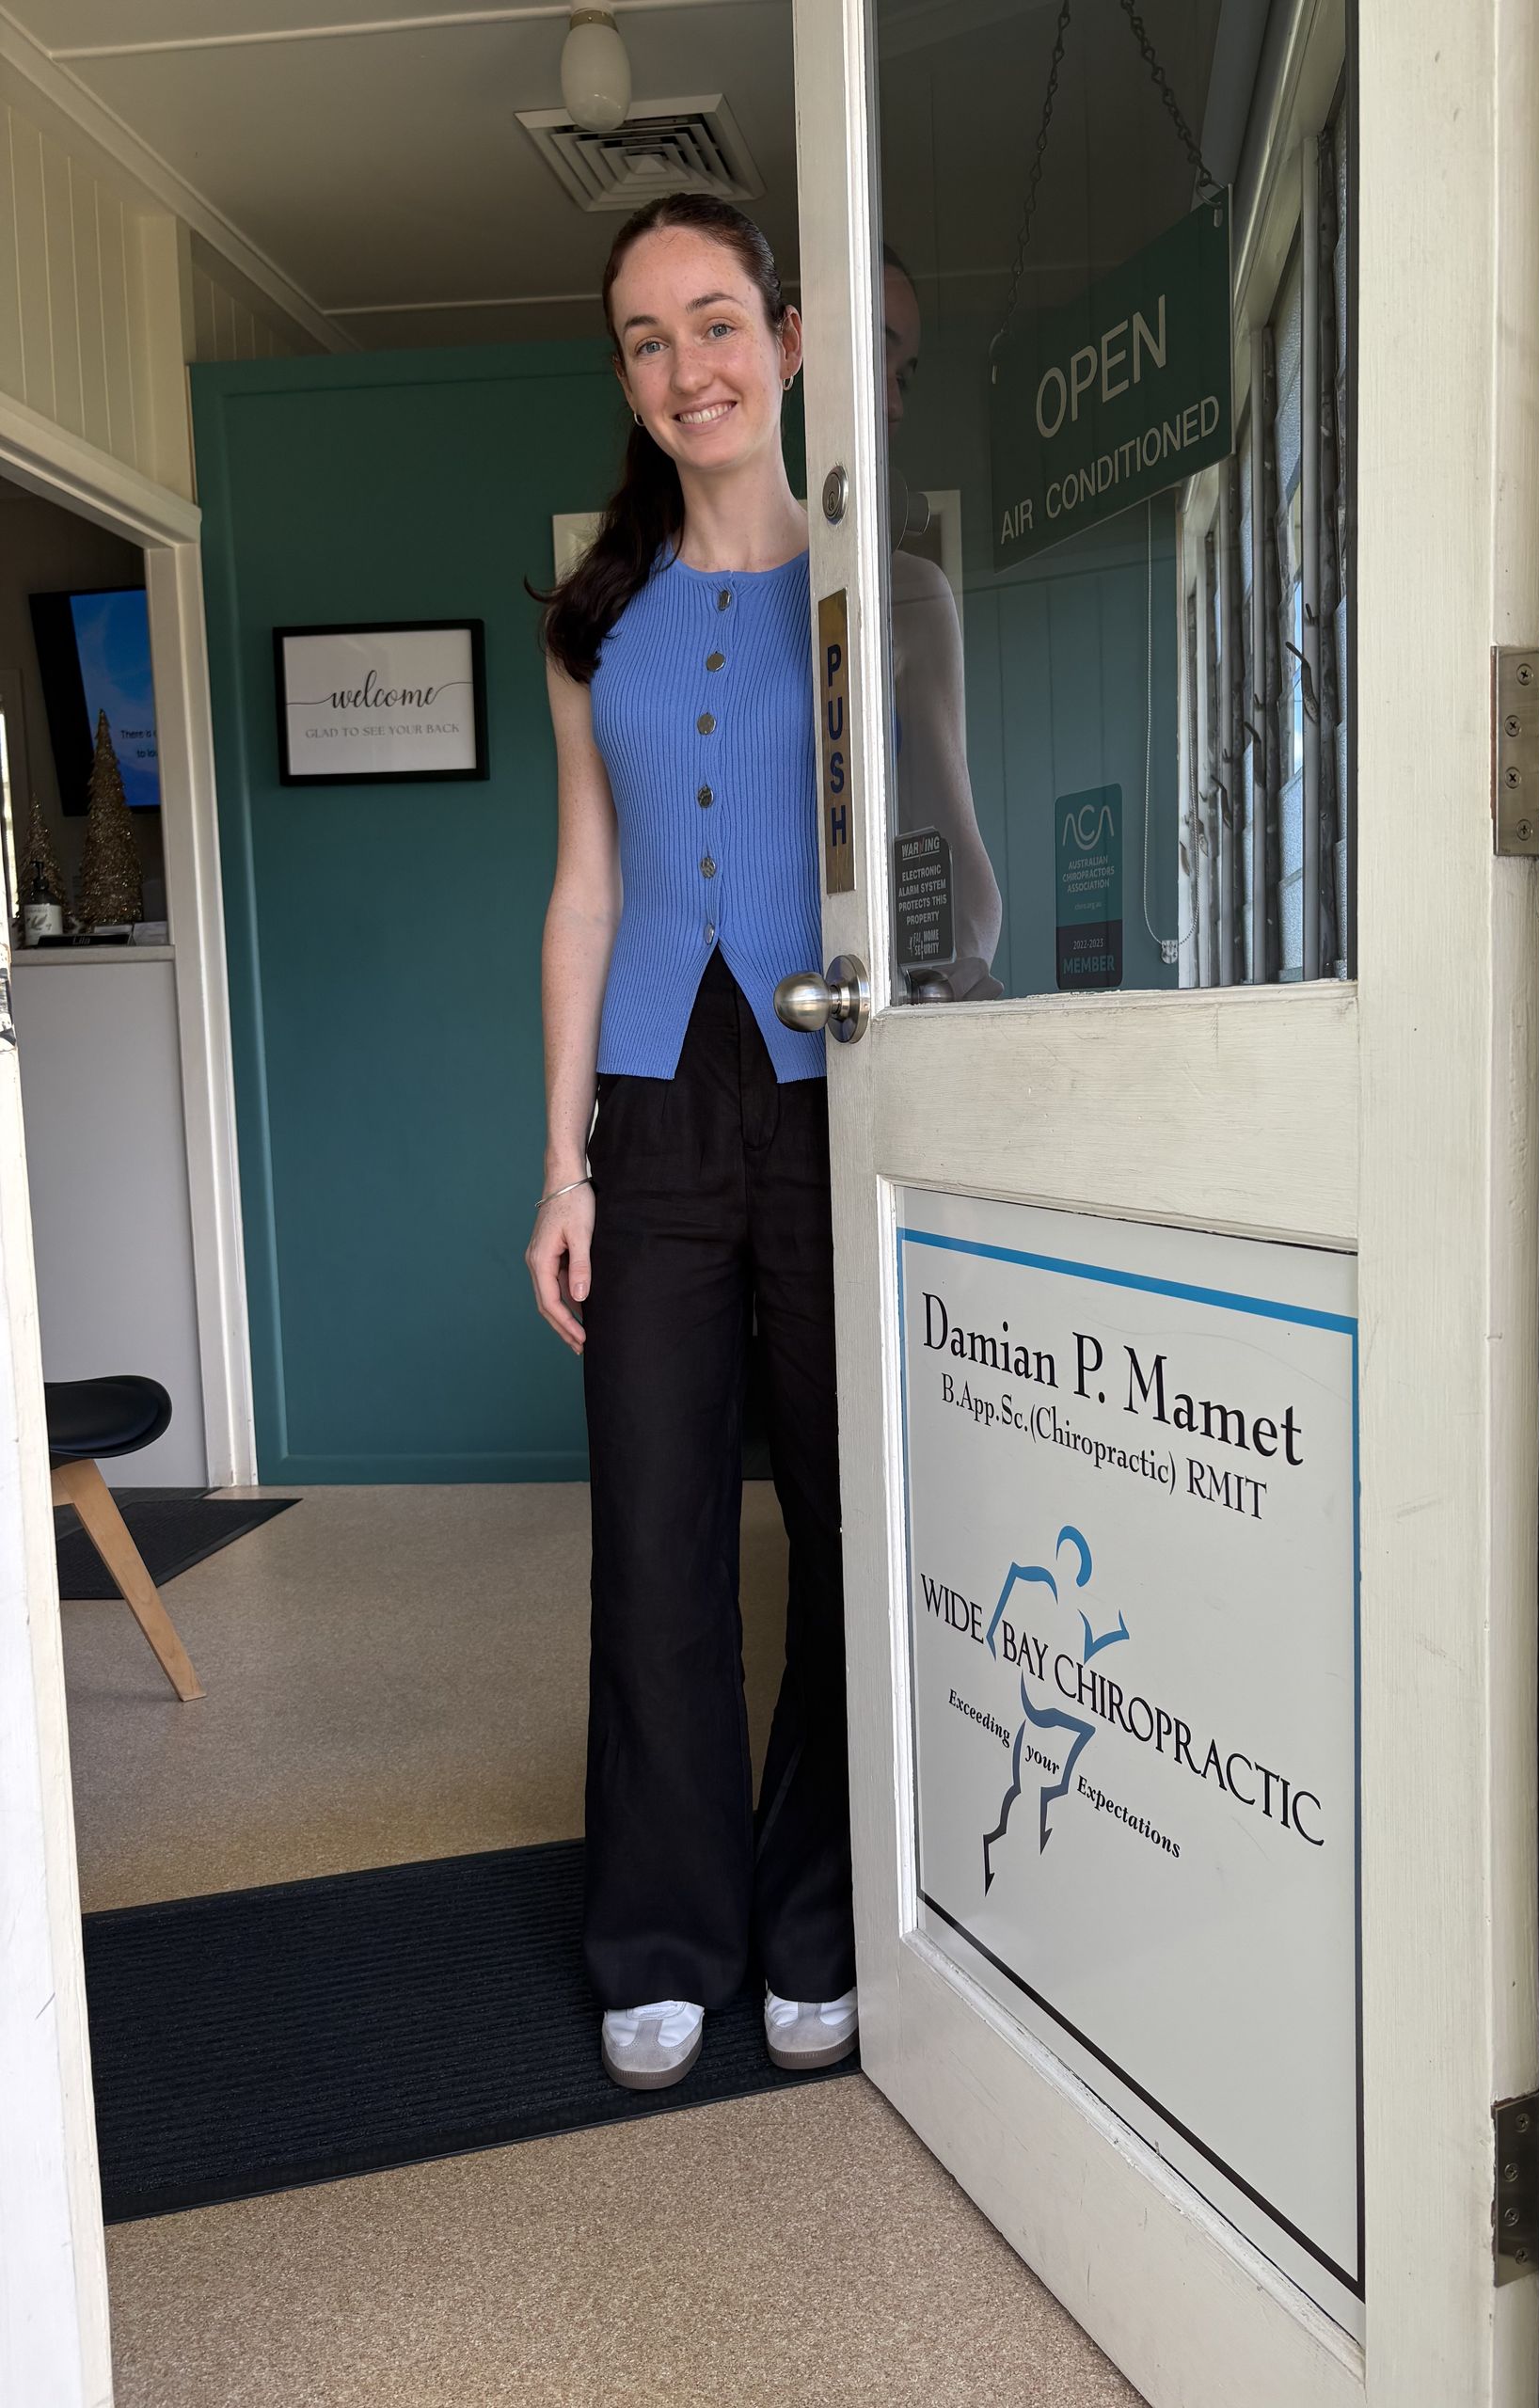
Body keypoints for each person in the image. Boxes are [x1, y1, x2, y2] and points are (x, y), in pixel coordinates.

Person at [528, 193, 855, 2093]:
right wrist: (560, 1169)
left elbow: (950, 876)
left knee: (843, 1515)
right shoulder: (596, 624)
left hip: (834, 1091)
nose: (687, 367)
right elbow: (585, 893)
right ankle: (663, 1930)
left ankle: (820, 1911)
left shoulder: (878, 597)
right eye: (647, 339)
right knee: (654, 1529)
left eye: (716, 321)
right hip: (652, 1108)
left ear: (786, 340)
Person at [881, 245, 1004, 999]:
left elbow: (958, 869)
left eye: (905, 377)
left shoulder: (907, 594)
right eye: (878, 360)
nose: (895, 405)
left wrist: (950, 986)